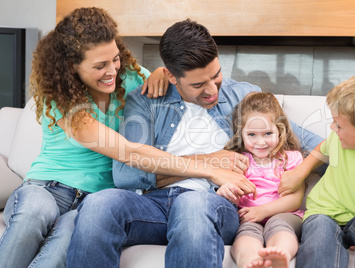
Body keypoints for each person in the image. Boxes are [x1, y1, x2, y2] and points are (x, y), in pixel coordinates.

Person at [0, 8, 251, 268]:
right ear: (72, 66)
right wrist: (209, 167)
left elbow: (171, 78)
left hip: (90, 200)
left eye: (115, 59)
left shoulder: (130, 78)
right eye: (100, 65)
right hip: (49, 187)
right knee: (35, 212)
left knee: (71, 233)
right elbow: (129, 153)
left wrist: (157, 73)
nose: (112, 71)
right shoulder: (62, 99)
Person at [66, 19, 323, 268]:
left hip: (213, 204)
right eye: (198, 84)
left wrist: (300, 172)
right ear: (171, 76)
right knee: (98, 204)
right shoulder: (146, 100)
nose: (212, 90)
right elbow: (126, 175)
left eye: (217, 75)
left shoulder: (243, 96)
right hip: (153, 206)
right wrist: (209, 162)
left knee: (192, 204)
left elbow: (315, 145)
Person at [278, 71, 355, 267]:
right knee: (318, 227)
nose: (332, 128)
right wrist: (300, 172)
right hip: (323, 215)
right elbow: (323, 149)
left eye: (338, 125)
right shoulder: (340, 138)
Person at [216, 92, 305, 268]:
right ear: (241, 133)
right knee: (245, 234)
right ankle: (249, 260)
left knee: (280, 227)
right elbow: (234, 197)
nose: (260, 142)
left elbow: (295, 199)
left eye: (267, 133)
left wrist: (263, 211)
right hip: (249, 218)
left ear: (280, 130)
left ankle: (281, 256)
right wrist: (228, 194)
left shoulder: (292, 158)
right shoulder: (238, 160)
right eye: (252, 135)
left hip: (285, 214)